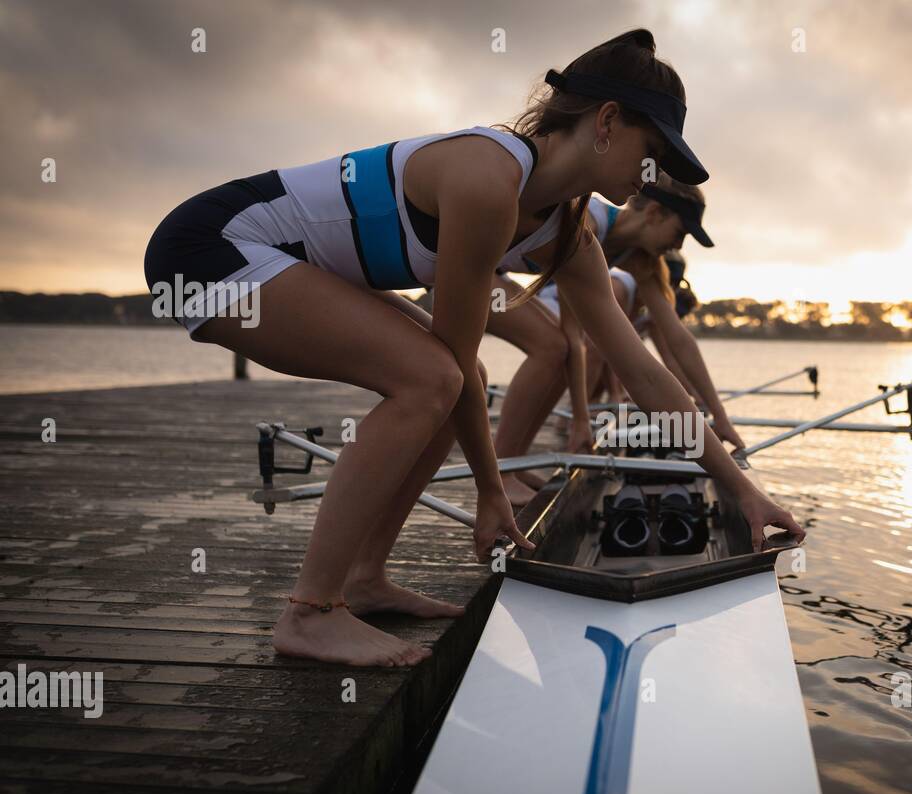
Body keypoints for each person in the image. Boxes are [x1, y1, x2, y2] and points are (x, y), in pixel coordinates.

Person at [143, 29, 803, 668]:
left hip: (275, 264)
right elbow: (448, 365)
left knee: (446, 378)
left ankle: (366, 577)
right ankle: (310, 612)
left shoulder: (568, 237)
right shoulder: (487, 177)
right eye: (654, 147)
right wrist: (491, 488)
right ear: (607, 121)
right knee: (436, 378)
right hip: (208, 251)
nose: (649, 175)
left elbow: (642, 369)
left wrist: (738, 488)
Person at [490, 180, 744, 505]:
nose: (677, 245)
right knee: (553, 347)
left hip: (499, 278)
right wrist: (581, 419)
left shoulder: (638, 259)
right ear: (654, 213)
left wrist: (719, 415)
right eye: (679, 233)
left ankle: (511, 461)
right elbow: (584, 340)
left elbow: (678, 339)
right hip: (467, 267)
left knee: (563, 348)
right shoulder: (587, 221)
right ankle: (500, 473)